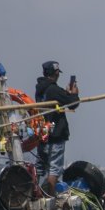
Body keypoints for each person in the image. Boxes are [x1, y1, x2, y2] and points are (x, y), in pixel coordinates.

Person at [33, 61, 80, 192]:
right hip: (55, 134)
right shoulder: (53, 89)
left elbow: (61, 100)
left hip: (43, 134)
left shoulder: (40, 89)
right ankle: (49, 196)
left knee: (40, 167)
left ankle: (33, 193)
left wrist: (65, 94)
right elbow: (73, 103)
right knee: (55, 168)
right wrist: (74, 93)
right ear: (56, 73)